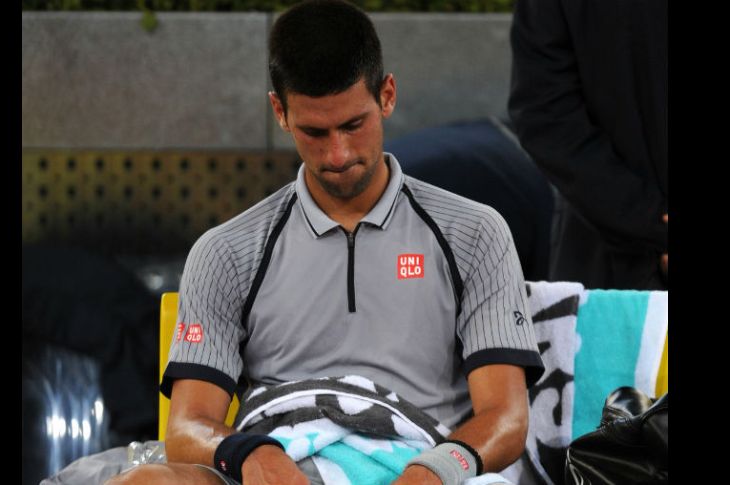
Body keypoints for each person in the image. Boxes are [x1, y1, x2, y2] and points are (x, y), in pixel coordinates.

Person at [107, 1, 543, 484]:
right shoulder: (224, 252)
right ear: (280, 112)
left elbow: (506, 418)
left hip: (423, 468)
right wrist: (251, 454)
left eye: (353, 125)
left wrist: (434, 472)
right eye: (315, 132)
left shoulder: (475, 232)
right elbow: (186, 427)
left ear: (387, 95)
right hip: (274, 465)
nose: (338, 154)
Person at [508, 0, 668, 290]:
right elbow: (545, 115)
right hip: (612, 266)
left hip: (608, 266)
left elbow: (545, 117)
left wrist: (650, 219)